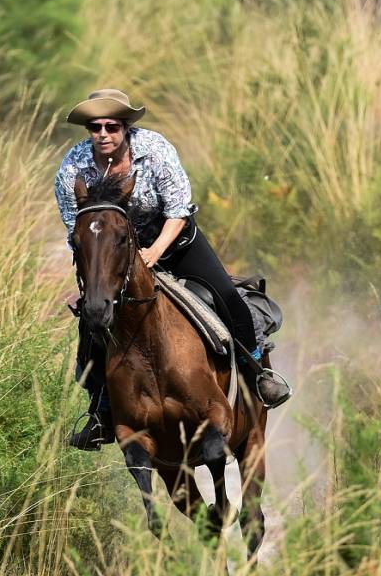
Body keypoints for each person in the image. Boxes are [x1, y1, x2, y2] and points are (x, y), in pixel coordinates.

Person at [54, 88, 291, 450]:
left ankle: (257, 371)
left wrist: (154, 252)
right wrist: (91, 280)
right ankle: (101, 410)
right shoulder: (72, 166)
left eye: (111, 126)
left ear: (125, 127)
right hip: (112, 254)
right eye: (95, 127)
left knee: (226, 296)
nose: (102, 134)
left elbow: (178, 209)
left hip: (172, 240)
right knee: (92, 320)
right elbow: (80, 230)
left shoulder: (156, 150)